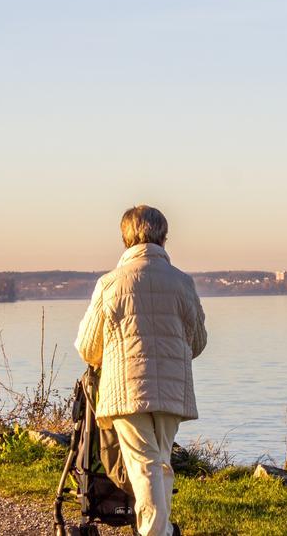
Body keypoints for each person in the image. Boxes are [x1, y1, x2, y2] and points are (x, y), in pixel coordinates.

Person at [75, 205, 208, 536]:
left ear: (125, 238)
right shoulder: (183, 283)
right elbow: (199, 342)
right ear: (164, 237)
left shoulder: (111, 284)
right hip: (172, 391)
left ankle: (154, 533)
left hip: (126, 389)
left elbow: (87, 347)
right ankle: (159, 530)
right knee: (160, 463)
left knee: (145, 466)